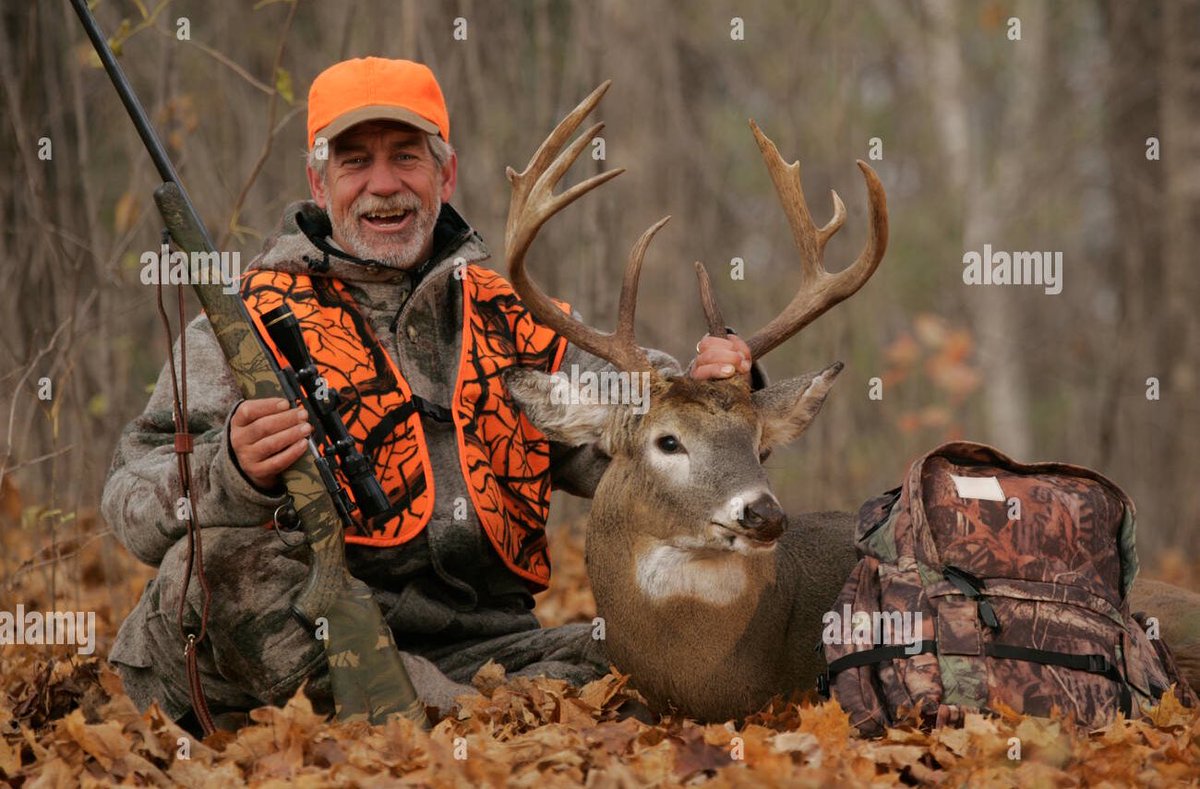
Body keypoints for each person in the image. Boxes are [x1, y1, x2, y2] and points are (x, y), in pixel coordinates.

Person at [102, 57, 758, 730]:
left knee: (633, 649)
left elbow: (634, 432)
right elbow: (130, 500)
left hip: (487, 645)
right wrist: (229, 472)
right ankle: (430, 714)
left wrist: (712, 394)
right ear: (318, 181)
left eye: (406, 158)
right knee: (214, 566)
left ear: (444, 174)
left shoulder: (511, 318)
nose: (383, 186)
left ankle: (431, 713)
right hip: (304, 628)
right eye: (354, 161)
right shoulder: (245, 323)